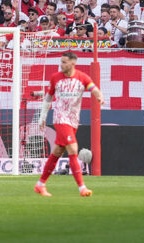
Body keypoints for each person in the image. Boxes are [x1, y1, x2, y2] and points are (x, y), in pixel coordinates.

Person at [34, 51, 103, 198]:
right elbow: (48, 97)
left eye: (64, 62)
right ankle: (82, 187)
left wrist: (99, 97)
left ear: (73, 63)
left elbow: (93, 88)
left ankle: (40, 184)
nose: (61, 65)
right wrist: (43, 117)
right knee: (73, 148)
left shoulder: (81, 77)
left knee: (57, 152)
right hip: (60, 118)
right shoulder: (55, 78)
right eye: (61, 62)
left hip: (73, 120)